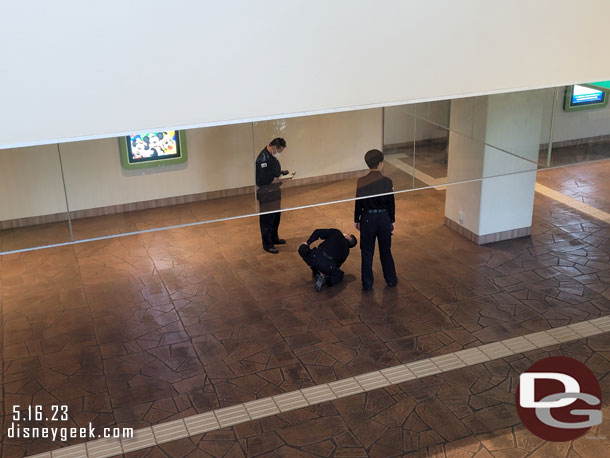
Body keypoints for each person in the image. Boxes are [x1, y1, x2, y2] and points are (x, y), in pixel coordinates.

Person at [354, 149, 398, 290]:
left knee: (367, 252)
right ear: (380, 163)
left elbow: (358, 202)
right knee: (386, 250)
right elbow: (391, 203)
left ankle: (367, 283)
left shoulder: (361, 181)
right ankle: (390, 279)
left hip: (367, 218)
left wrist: (357, 219)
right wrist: (391, 220)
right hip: (384, 218)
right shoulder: (387, 181)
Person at [255, 138, 289, 253]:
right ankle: (267, 244)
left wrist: (282, 173)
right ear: (274, 148)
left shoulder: (271, 156)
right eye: (280, 151)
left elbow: (272, 171)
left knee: (275, 217)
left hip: (274, 191)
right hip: (266, 193)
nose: (279, 153)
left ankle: (274, 238)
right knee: (267, 219)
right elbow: (263, 179)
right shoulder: (262, 159)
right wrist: (276, 179)